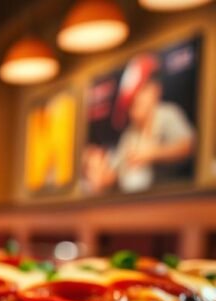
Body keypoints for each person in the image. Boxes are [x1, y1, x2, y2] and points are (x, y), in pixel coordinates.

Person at [83, 52, 195, 194]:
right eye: (129, 105)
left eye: (136, 100)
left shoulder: (167, 114)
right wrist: (98, 167)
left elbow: (189, 145)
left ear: (154, 90)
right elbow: (117, 170)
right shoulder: (130, 134)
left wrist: (154, 153)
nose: (132, 110)